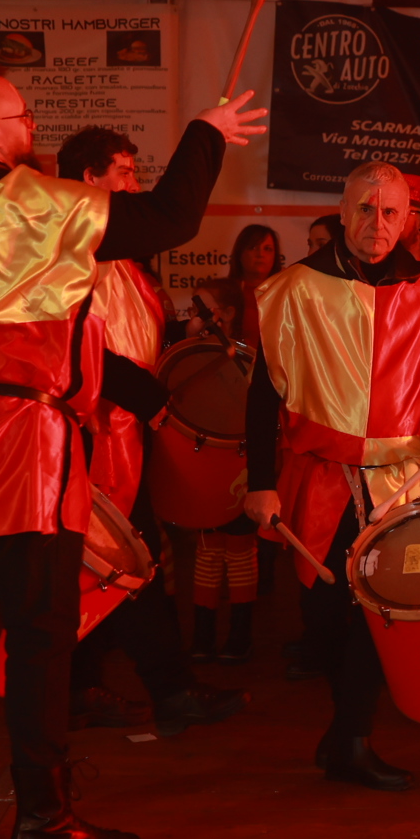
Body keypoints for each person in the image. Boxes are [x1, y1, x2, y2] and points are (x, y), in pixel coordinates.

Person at [0, 65, 260, 839]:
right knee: (43, 632)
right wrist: (207, 133)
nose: (31, 128)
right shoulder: (28, 201)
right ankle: (44, 821)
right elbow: (169, 218)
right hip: (17, 437)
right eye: (22, 116)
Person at [243, 160, 420, 791]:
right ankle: (345, 731)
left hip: (401, 480)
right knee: (323, 616)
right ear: (343, 213)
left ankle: (352, 738)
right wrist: (260, 479)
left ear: (408, 219)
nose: (377, 223)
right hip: (323, 477)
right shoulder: (295, 289)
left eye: (390, 211)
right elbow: (263, 394)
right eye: (365, 209)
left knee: (382, 611)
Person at [51, 122, 245, 735]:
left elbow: (132, 336)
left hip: (122, 432)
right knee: (128, 562)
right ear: (90, 180)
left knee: (110, 563)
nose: (136, 186)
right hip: (92, 436)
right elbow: (73, 345)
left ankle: (81, 686)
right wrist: (145, 394)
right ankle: (168, 688)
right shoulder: (70, 247)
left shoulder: (120, 258)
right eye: (126, 174)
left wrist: (186, 339)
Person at [187, 222, 279, 659]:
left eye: (268, 248)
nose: (260, 255)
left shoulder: (283, 294)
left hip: (248, 439)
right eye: (253, 247)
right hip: (212, 437)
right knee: (208, 543)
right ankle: (203, 635)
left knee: (241, 543)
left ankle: (239, 635)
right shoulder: (216, 308)